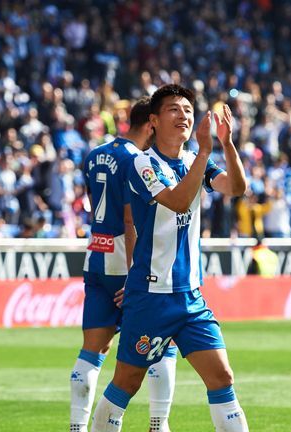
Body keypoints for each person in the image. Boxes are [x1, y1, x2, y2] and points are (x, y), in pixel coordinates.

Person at [90, 84, 249, 431]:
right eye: (174, 109)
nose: (184, 116)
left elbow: (237, 188)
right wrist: (206, 152)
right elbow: (177, 201)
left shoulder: (194, 160)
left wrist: (226, 143)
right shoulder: (142, 164)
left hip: (190, 297)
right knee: (127, 382)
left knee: (222, 376)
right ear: (154, 121)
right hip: (151, 298)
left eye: (189, 110)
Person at [71, 98, 178, 432]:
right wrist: (135, 276)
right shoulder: (138, 160)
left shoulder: (94, 154)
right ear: (151, 124)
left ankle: (77, 427)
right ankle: (158, 425)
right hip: (126, 262)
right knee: (164, 342)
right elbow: (130, 221)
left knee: (93, 349)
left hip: (96, 257)